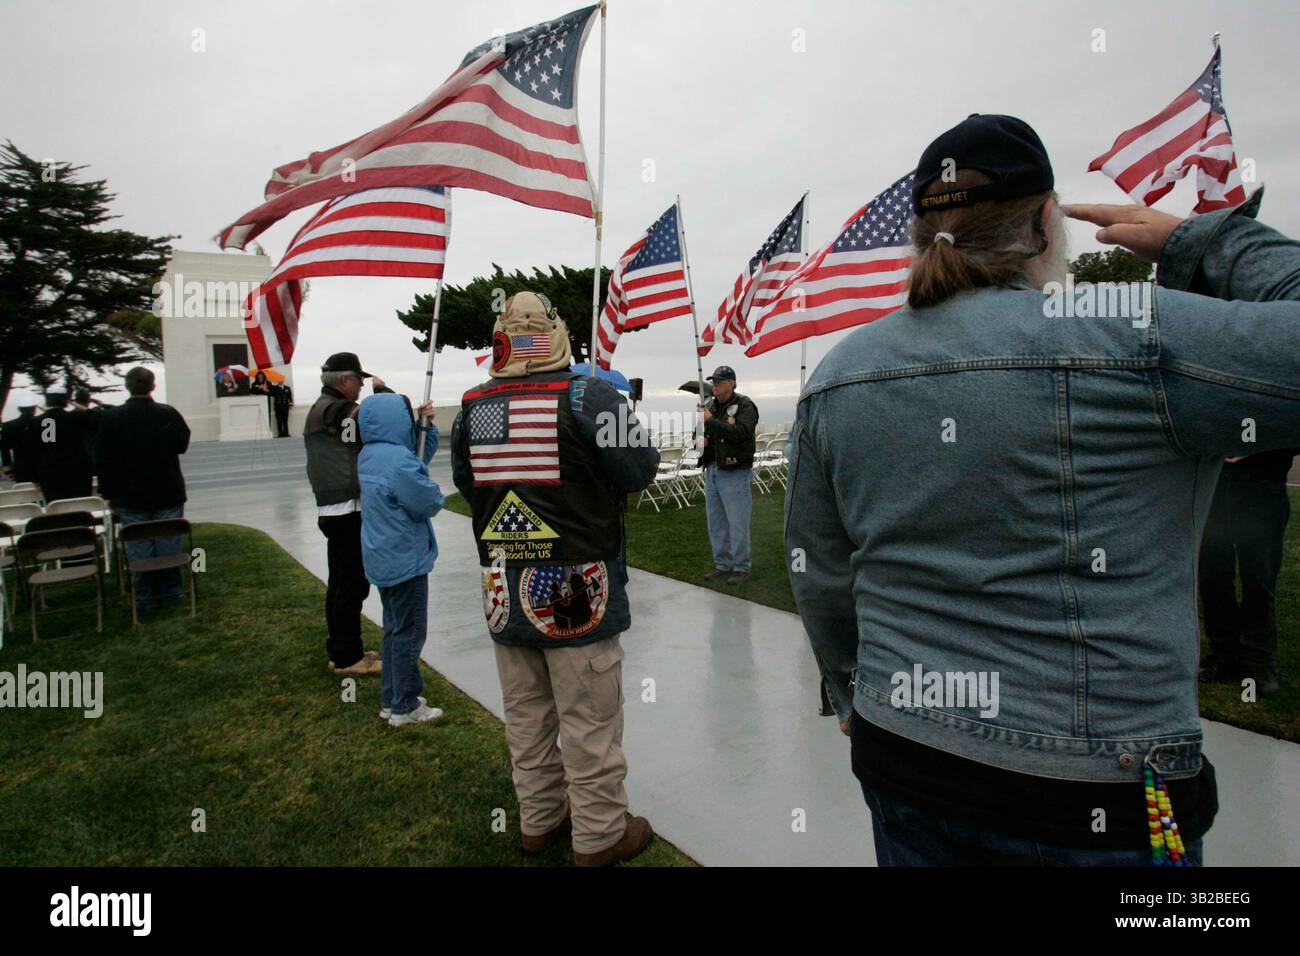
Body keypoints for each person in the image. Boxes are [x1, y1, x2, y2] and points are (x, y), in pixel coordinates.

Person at [787, 113, 1300, 867]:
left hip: (907, 758)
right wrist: (1208, 240)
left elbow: (820, 572)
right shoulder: (1138, 337)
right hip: (1098, 790)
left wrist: (853, 687)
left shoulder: (839, 373)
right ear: (1045, 225)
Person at [451, 291, 660, 866]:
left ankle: (539, 822)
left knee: (526, 713)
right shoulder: (587, 393)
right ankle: (599, 835)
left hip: (502, 585)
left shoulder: (473, 403)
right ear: (556, 334)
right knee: (589, 719)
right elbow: (640, 469)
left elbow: (469, 485)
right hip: (575, 587)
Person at [357, 391, 443, 726]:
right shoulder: (398, 461)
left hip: (382, 556)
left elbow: (416, 462)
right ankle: (406, 706)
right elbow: (426, 501)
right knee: (410, 633)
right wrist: (435, 493)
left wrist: (426, 429)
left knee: (394, 630)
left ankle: (391, 700)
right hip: (405, 558)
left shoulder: (370, 454)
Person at [305, 352, 388, 676]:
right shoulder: (339, 410)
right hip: (346, 508)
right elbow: (378, 422)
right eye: (359, 380)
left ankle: (342, 649)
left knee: (342, 583)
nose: (361, 386)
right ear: (343, 380)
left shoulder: (322, 408)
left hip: (333, 506)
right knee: (350, 585)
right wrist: (384, 395)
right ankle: (347, 657)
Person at [1198, 449, 1298, 694]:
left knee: (1259, 579)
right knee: (1214, 576)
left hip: (1263, 486)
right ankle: (1224, 654)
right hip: (1215, 486)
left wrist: (1255, 446)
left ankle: (1259, 662)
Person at [95, 367, 191, 610]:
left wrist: (107, 494)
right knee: (168, 541)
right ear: (153, 386)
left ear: (128, 386)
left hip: (129, 494)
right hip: (166, 489)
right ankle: (171, 592)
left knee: (139, 545)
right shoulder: (167, 414)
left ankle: (146, 596)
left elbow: (103, 459)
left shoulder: (111, 418)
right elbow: (182, 444)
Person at [699, 365, 759, 585]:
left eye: (719, 381)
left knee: (737, 522)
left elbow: (741, 433)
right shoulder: (709, 405)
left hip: (734, 472)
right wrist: (700, 439)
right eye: (713, 381)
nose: (714, 385)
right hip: (713, 470)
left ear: (732, 383)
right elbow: (699, 433)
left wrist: (711, 422)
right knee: (715, 522)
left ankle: (741, 567)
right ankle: (723, 564)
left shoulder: (745, 405)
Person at [32, 388, 94, 503]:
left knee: (56, 509)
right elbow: (98, 418)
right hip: (78, 470)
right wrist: (77, 405)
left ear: (47, 401)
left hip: (49, 472)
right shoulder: (78, 417)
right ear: (66, 401)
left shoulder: (36, 421)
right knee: (82, 506)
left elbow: (31, 452)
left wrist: (35, 479)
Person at [1, 395, 41, 483]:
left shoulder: (8, 426)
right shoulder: (44, 423)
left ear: (19, 409)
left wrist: (8, 470)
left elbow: (4, 450)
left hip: (21, 468)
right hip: (42, 466)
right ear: (34, 409)